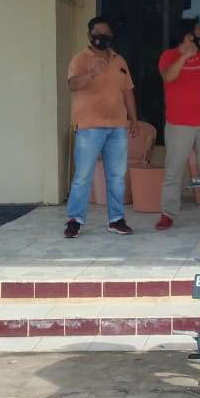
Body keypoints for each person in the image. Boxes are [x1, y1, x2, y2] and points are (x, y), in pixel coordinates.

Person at [63, 16, 138, 239]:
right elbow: (72, 84)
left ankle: (116, 220)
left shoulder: (119, 60)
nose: (101, 37)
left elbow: (128, 91)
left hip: (117, 127)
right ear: (89, 35)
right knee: (83, 176)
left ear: (111, 36)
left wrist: (134, 119)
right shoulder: (80, 59)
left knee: (116, 177)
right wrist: (92, 73)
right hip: (89, 127)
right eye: (97, 34)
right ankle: (74, 220)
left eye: (106, 34)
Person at [157, 21, 200, 230]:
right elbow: (168, 77)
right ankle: (167, 214)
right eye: (198, 30)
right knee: (174, 170)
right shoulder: (168, 56)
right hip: (178, 124)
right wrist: (184, 57)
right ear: (188, 35)